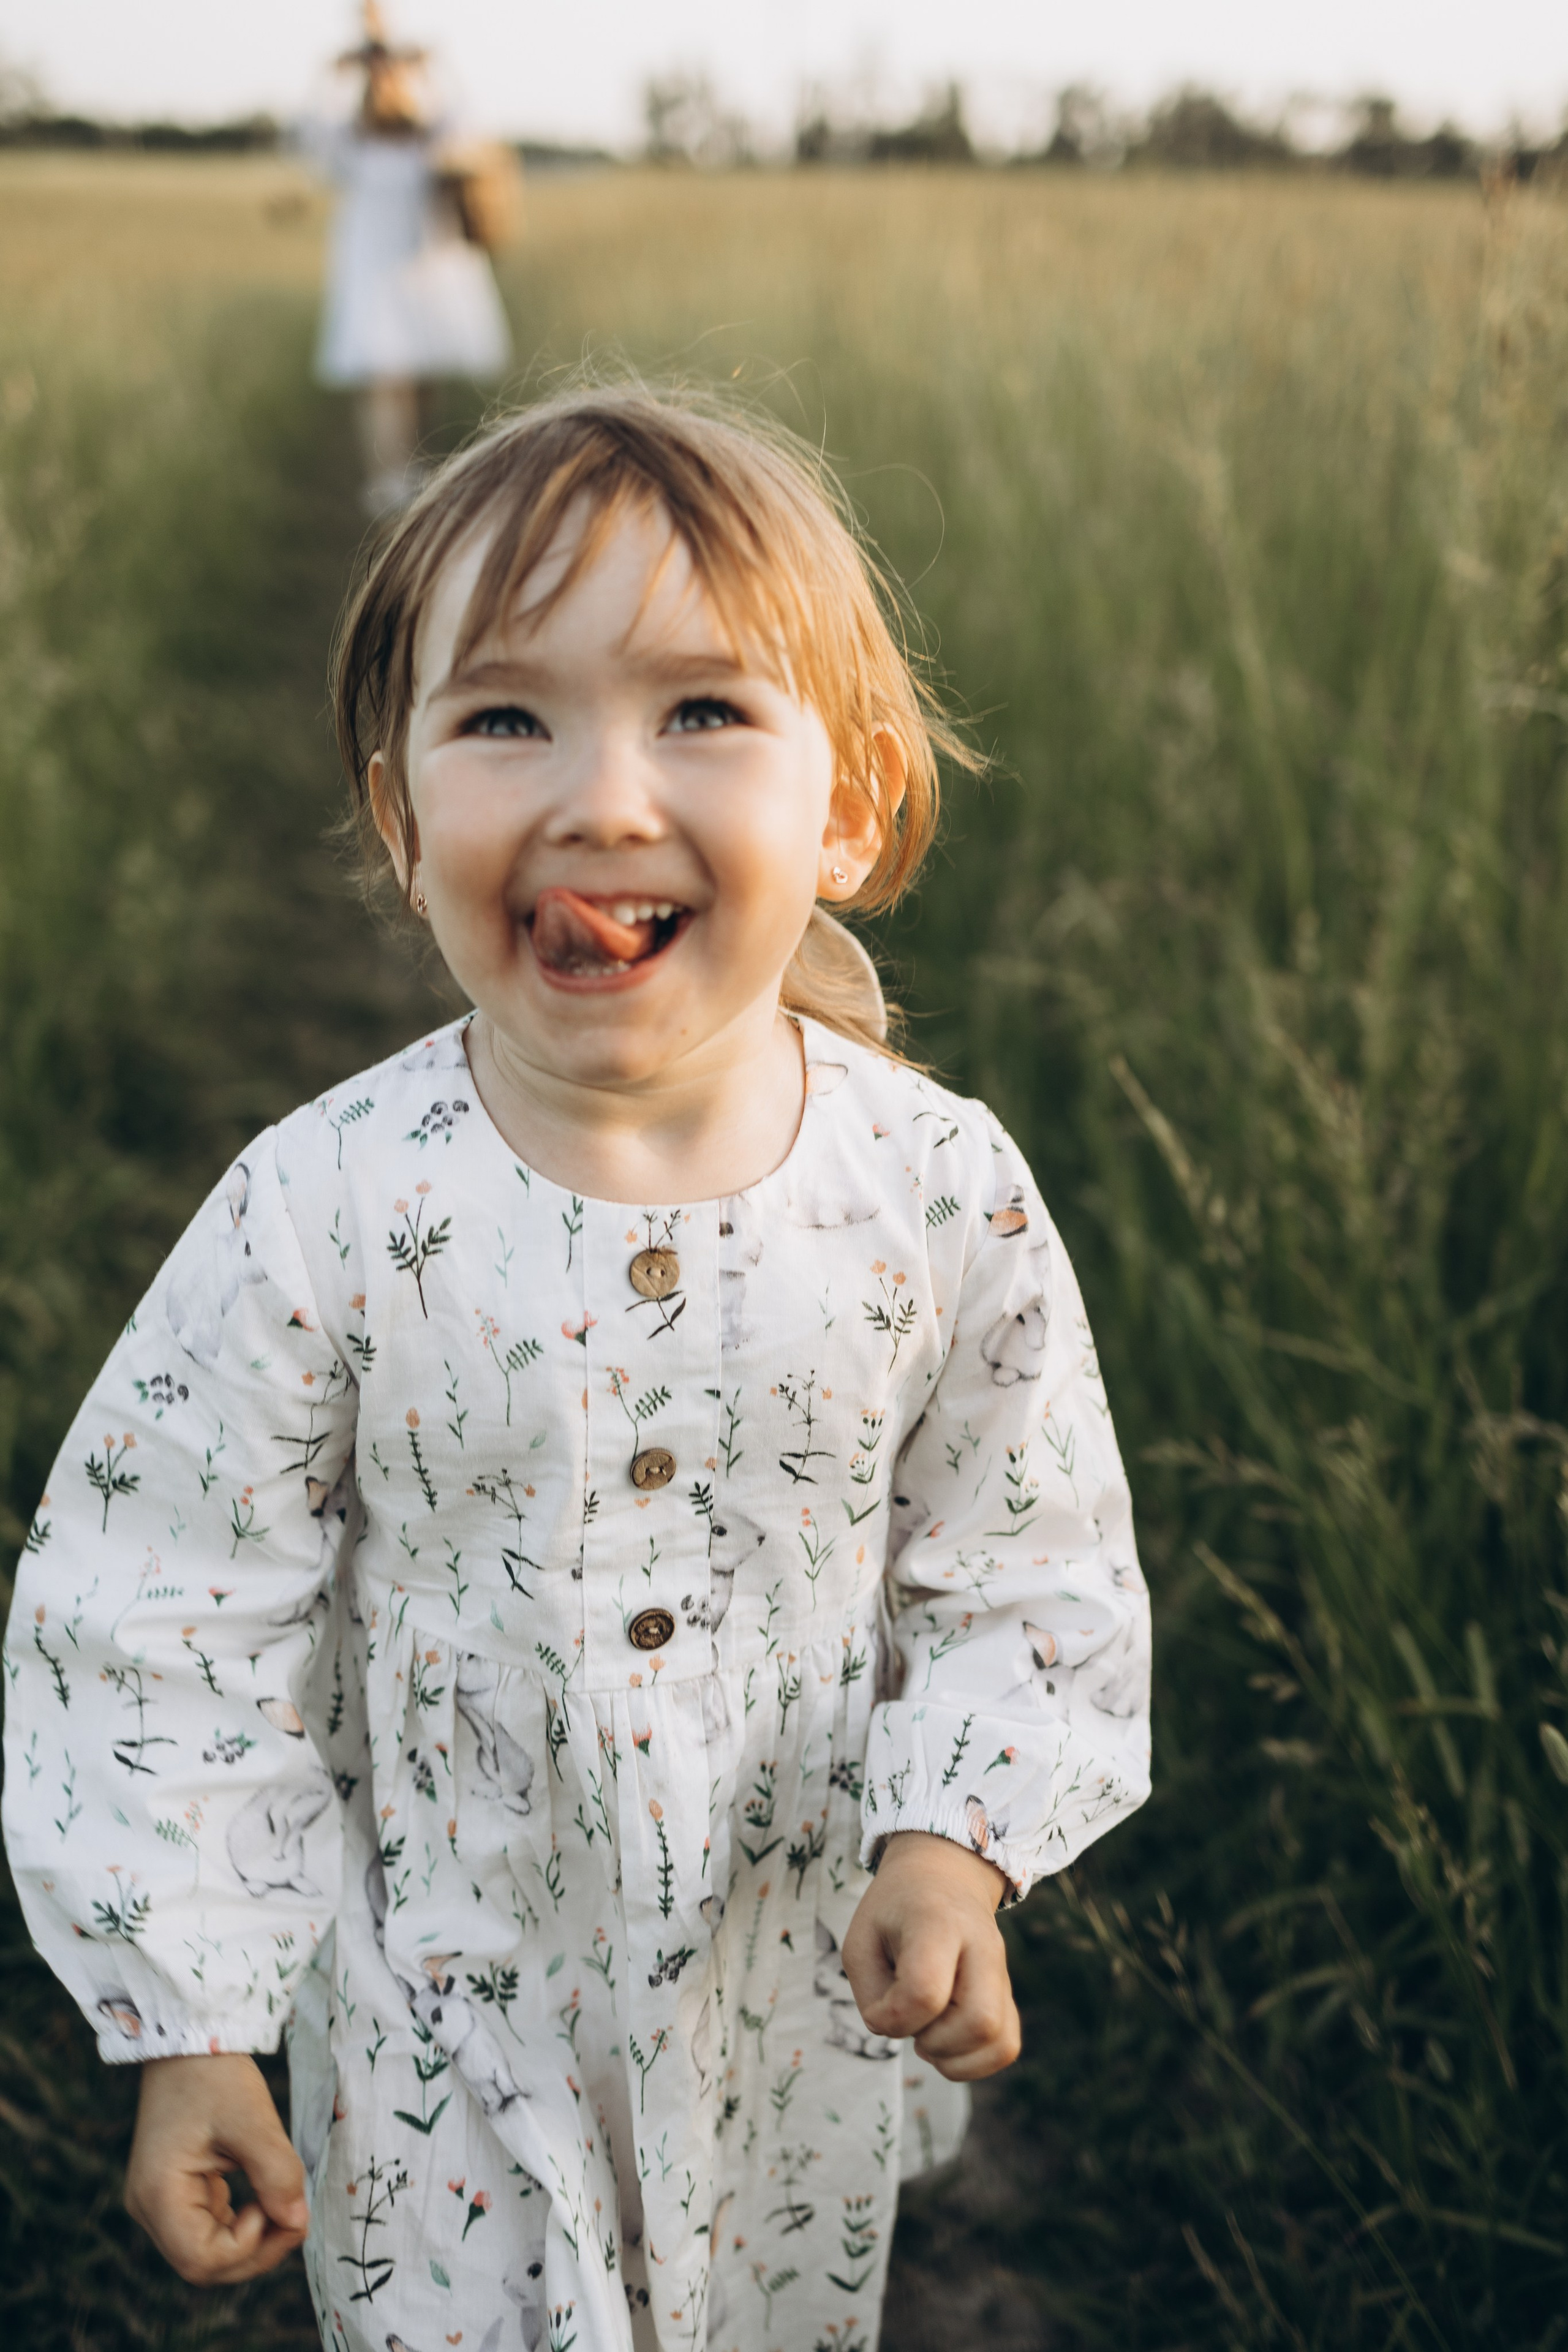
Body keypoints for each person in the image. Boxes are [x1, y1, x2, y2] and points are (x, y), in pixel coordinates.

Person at [2, 384, 1152, 2352]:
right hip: (446, 2000)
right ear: (399, 809)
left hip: (791, 1993)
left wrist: (948, 1840)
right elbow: (158, 1604)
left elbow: (1019, 1555)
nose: (604, 796)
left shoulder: (934, 1189)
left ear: (847, 806)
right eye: (504, 717)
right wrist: (192, 2016)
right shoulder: (322, 1209)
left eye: (703, 712)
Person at [311, 4, 513, 515]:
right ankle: (388, 482)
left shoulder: (431, 137)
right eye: (378, 82)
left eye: (395, 79)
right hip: (374, 277)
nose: (387, 86)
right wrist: (337, 74)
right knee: (384, 379)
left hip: (430, 273)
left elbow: (471, 123)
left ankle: (416, 471)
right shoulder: (350, 144)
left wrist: (432, 67)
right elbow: (310, 134)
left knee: (423, 379)